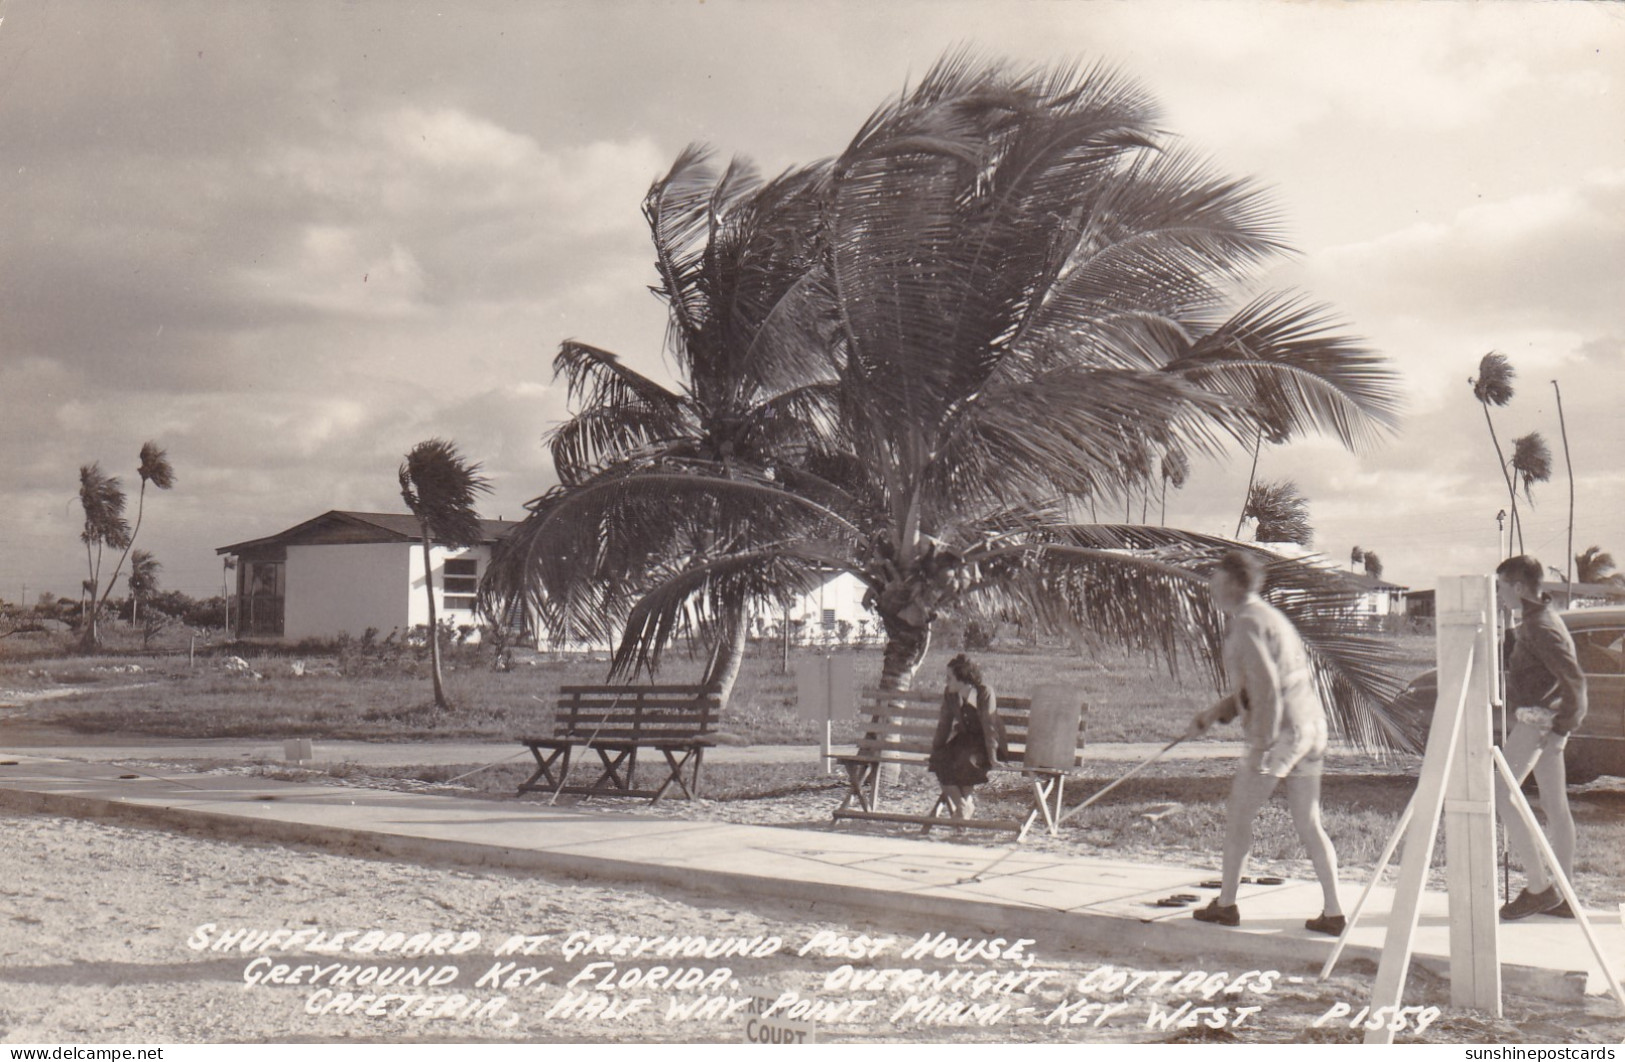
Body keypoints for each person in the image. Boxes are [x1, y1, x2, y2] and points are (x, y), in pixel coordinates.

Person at [1188, 550, 1345, 935]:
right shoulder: (1271, 617)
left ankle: (1226, 906)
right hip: (1311, 728)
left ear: (1232, 585)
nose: (1211, 588)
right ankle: (1334, 912)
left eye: (1216, 581)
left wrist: (1261, 746)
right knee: (1309, 822)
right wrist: (1214, 714)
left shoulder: (1245, 623)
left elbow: (1268, 690)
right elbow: (1262, 686)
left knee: (1239, 816)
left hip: (1283, 734)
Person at [1493, 554, 1588, 920]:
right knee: (1554, 806)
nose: (1499, 594)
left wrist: (1563, 730)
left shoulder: (1542, 626)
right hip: (1545, 720)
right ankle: (1564, 896)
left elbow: (1575, 682)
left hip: (1538, 722)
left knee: (1502, 794)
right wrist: (1508, 631)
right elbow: (1528, 663)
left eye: (1501, 587)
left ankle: (1538, 888)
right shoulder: (1536, 619)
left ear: (1518, 587)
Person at [928, 653, 1002, 819]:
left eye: (949, 678)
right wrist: (936, 749)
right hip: (964, 740)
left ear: (963, 678)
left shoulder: (984, 693)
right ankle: (963, 806)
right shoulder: (951, 694)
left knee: (966, 760)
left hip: (986, 743)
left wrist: (993, 757)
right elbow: (944, 724)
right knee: (940, 759)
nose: (946, 681)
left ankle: (964, 807)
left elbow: (989, 727)